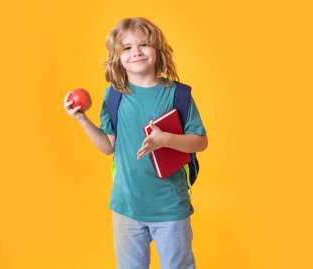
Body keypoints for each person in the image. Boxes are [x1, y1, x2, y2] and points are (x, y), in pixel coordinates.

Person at [64, 17, 208, 269]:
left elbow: (201, 142)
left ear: (158, 51)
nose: (136, 52)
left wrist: (166, 139)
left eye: (144, 45)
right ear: (117, 57)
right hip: (126, 207)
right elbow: (108, 146)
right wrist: (82, 119)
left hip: (170, 208)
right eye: (127, 47)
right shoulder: (113, 95)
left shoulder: (178, 94)